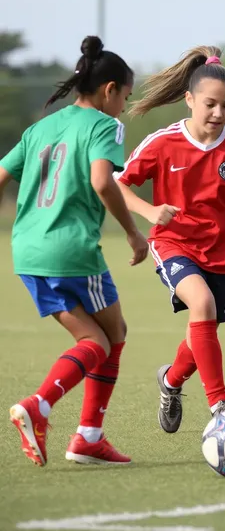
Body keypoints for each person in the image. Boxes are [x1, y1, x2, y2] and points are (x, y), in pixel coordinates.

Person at [0, 36, 148, 467]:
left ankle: (84, 436)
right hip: (72, 250)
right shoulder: (105, 126)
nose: (124, 104)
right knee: (111, 337)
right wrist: (135, 234)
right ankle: (53, 415)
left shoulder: (40, 127)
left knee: (94, 339)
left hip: (26, 252)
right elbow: (104, 182)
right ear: (109, 91)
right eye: (126, 95)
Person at [114, 46, 225, 434]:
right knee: (201, 304)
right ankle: (220, 404)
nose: (218, 114)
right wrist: (150, 212)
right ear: (189, 100)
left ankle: (171, 381)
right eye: (210, 104)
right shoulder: (162, 143)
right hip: (174, 243)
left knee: (203, 326)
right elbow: (118, 185)